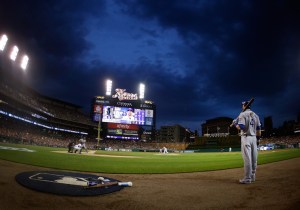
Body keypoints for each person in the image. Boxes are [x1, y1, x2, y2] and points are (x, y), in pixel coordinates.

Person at [233, 100, 261, 184]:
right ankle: (252, 176)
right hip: (254, 138)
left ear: (244, 106)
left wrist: (234, 123)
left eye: (242, 105)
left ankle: (247, 178)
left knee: (247, 159)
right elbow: (259, 130)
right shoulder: (256, 115)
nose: (242, 107)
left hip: (246, 137)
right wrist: (258, 140)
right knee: (254, 158)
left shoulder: (242, 114)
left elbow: (241, 127)